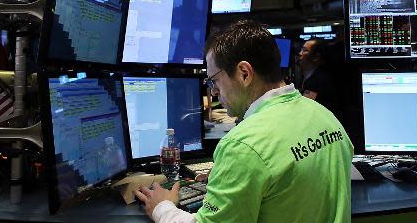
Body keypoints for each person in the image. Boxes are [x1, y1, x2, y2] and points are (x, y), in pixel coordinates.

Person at [135, 20, 353, 223]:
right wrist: (235, 177)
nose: (213, 92)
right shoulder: (325, 117)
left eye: (214, 81)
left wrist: (161, 207)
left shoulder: (242, 146)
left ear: (244, 73)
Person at [297, 39, 338, 115]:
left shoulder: (319, 80)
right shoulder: (309, 75)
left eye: (305, 50)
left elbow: (307, 108)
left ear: (316, 57)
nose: (300, 53)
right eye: (301, 49)